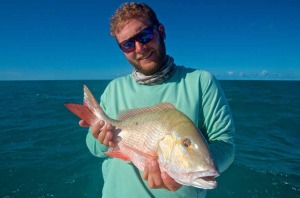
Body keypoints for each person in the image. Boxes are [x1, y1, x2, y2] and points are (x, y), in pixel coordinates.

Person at [79, 2, 235, 198]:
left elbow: (226, 145)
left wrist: (188, 170)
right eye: (128, 44)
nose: (139, 48)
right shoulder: (114, 89)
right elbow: (94, 149)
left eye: (144, 36)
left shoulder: (200, 82)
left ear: (161, 31)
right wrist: (102, 139)